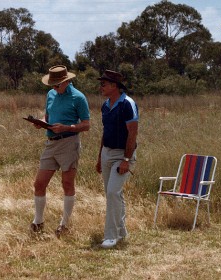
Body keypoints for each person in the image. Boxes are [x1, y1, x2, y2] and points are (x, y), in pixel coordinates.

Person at [30, 65, 90, 238]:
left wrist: (67, 127)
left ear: (67, 81)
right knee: (39, 184)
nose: (54, 88)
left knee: (67, 184)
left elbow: (86, 125)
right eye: (52, 85)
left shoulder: (78, 98)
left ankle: (65, 224)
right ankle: (38, 222)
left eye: (57, 85)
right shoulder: (51, 95)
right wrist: (40, 122)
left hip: (69, 143)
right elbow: (47, 117)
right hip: (51, 143)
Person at [95, 70, 139, 249]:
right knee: (113, 194)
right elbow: (105, 133)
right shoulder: (105, 106)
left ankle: (111, 236)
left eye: (104, 84)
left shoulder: (128, 104)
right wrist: (99, 157)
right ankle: (121, 231)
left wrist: (126, 159)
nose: (101, 87)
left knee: (113, 192)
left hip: (122, 155)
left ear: (114, 86)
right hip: (107, 153)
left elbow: (133, 133)